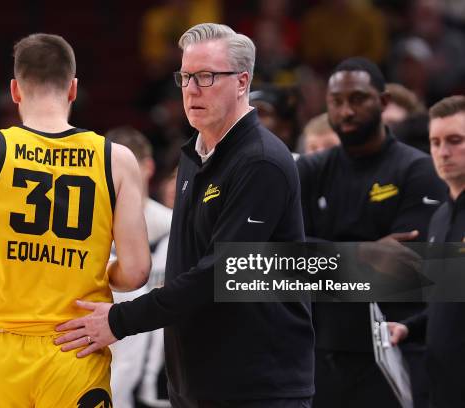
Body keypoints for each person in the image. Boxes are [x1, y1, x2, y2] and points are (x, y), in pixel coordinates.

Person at [55, 23, 314, 408]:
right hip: (197, 382)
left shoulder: (261, 162)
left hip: (258, 387)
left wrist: (120, 320)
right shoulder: (194, 152)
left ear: (242, 82)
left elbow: (220, 273)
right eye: (186, 76)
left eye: (207, 77)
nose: (191, 89)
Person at [0, 33, 150, 407]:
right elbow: (137, 271)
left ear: (14, 90)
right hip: (75, 347)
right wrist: (92, 270)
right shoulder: (116, 159)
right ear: (73, 89)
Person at [296, 57, 446, 408]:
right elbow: (281, 262)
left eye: (358, 99)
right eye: (336, 101)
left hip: (399, 349)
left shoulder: (418, 169)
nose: (346, 111)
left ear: (382, 102)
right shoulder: (310, 170)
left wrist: (318, 260)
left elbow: (411, 271)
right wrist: (364, 254)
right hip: (322, 353)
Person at [389, 95, 465, 408]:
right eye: (435, 142)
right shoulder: (440, 217)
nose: (443, 152)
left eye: (455, 140)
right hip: (441, 388)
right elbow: (447, 300)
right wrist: (411, 326)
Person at [104, 126, 172, 408]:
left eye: (129, 168)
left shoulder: (173, 226)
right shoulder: (82, 232)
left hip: (159, 385)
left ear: (148, 168)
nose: (122, 178)